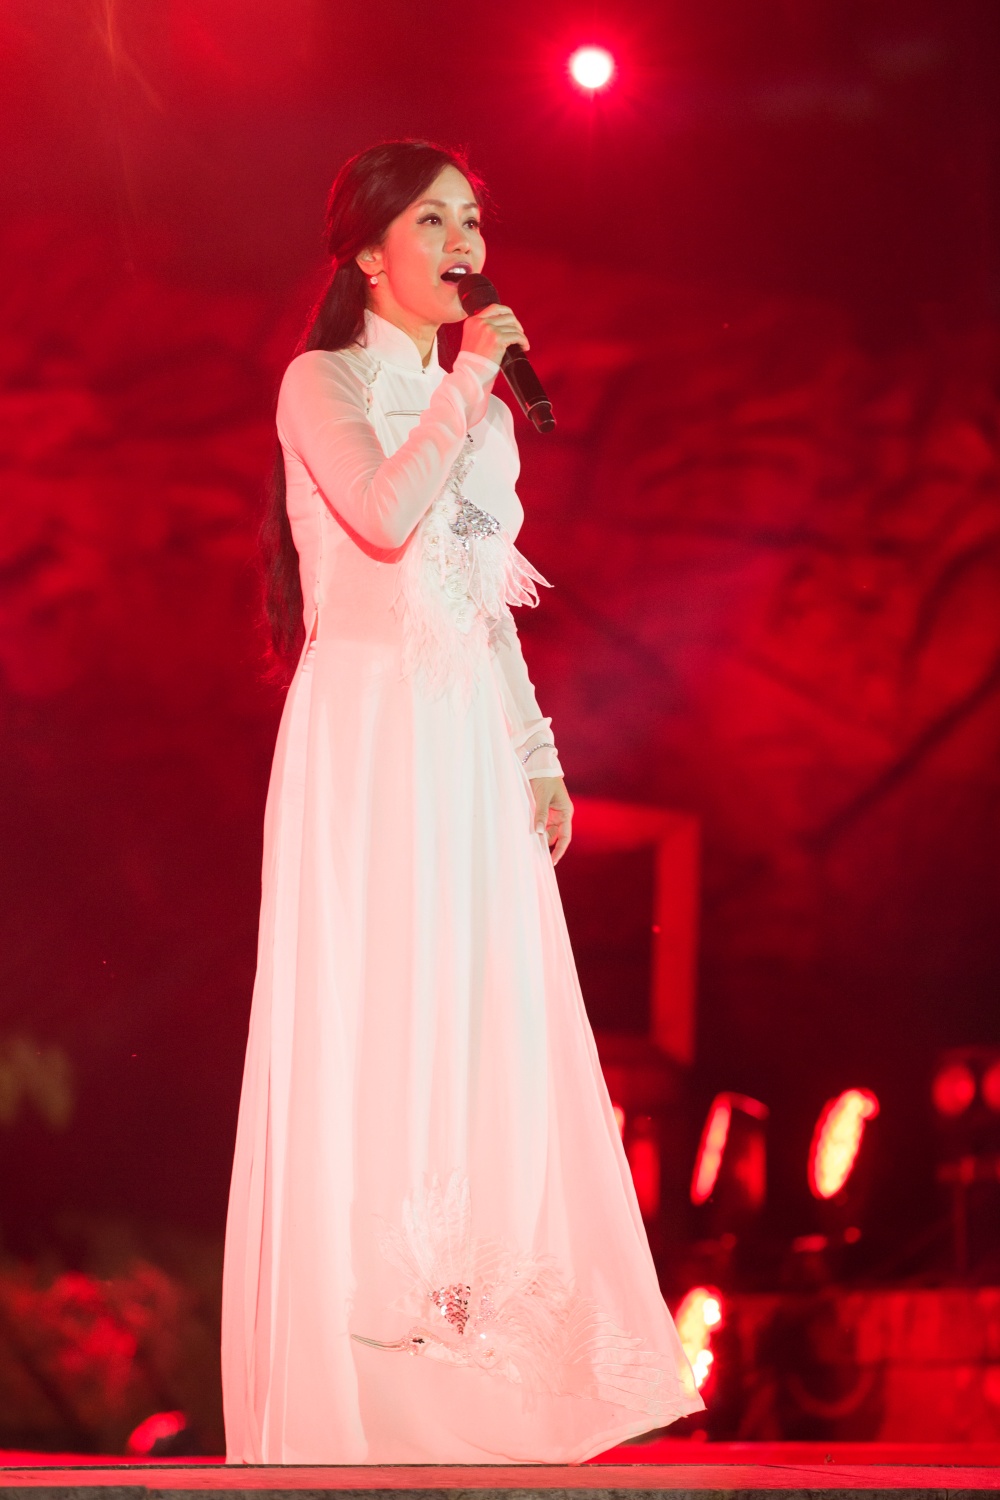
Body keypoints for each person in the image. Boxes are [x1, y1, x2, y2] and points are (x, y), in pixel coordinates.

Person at [221, 139, 703, 1465]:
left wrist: (537, 750)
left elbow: (481, 606)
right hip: (367, 736)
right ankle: (365, 1375)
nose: (461, 241)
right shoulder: (320, 383)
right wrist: (470, 377)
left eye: (472, 220)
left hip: (464, 748)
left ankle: (471, 1371)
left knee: (478, 1021)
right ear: (370, 252)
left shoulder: (478, 414)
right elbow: (384, 521)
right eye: (432, 220)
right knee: (378, 1016)